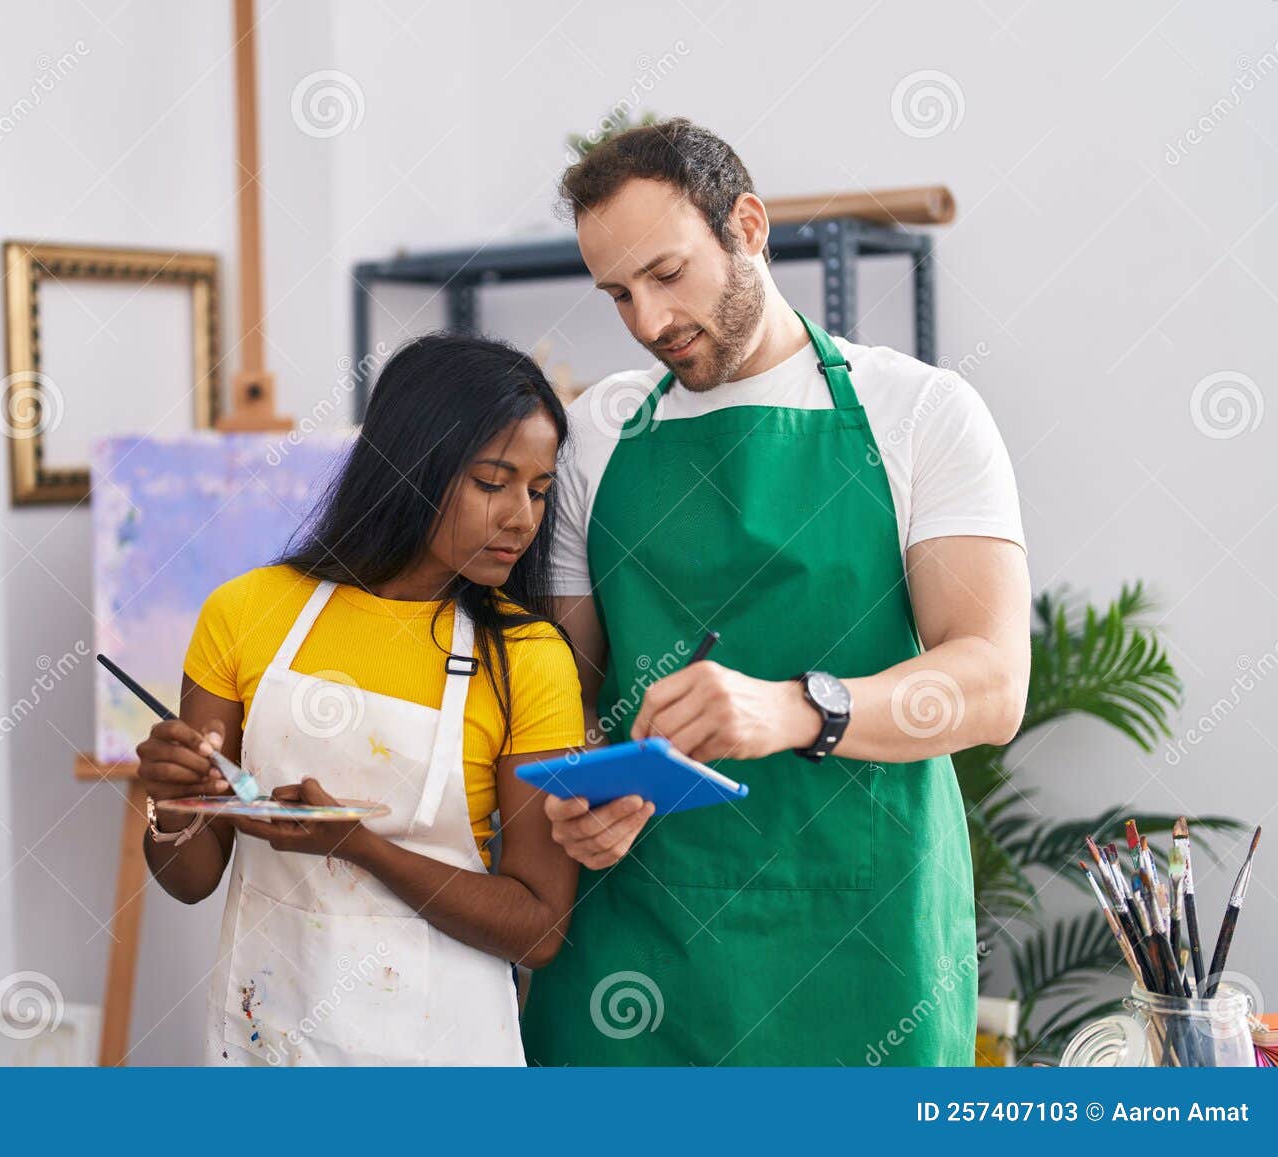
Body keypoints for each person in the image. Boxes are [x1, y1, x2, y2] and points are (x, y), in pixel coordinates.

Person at [521, 119, 1031, 1066]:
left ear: (747, 226)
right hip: (642, 944)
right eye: (619, 294)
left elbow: (994, 684)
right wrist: (583, 789)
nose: (649, 321)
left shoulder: (919, 412)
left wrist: (796, 708)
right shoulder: (596, 431)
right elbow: (566, 688)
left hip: (864, 944)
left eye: (667, 274)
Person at [136, 333, 585, 1066]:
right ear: (412, 465)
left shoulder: (529, 659)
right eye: (492, 483)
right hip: (270, 1039)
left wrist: (362, 848)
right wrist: (171, 801)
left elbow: (537, 926)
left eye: (538, 491)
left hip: (441, 1054)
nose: (522, 519)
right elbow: (190, 879)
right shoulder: (246, 613)